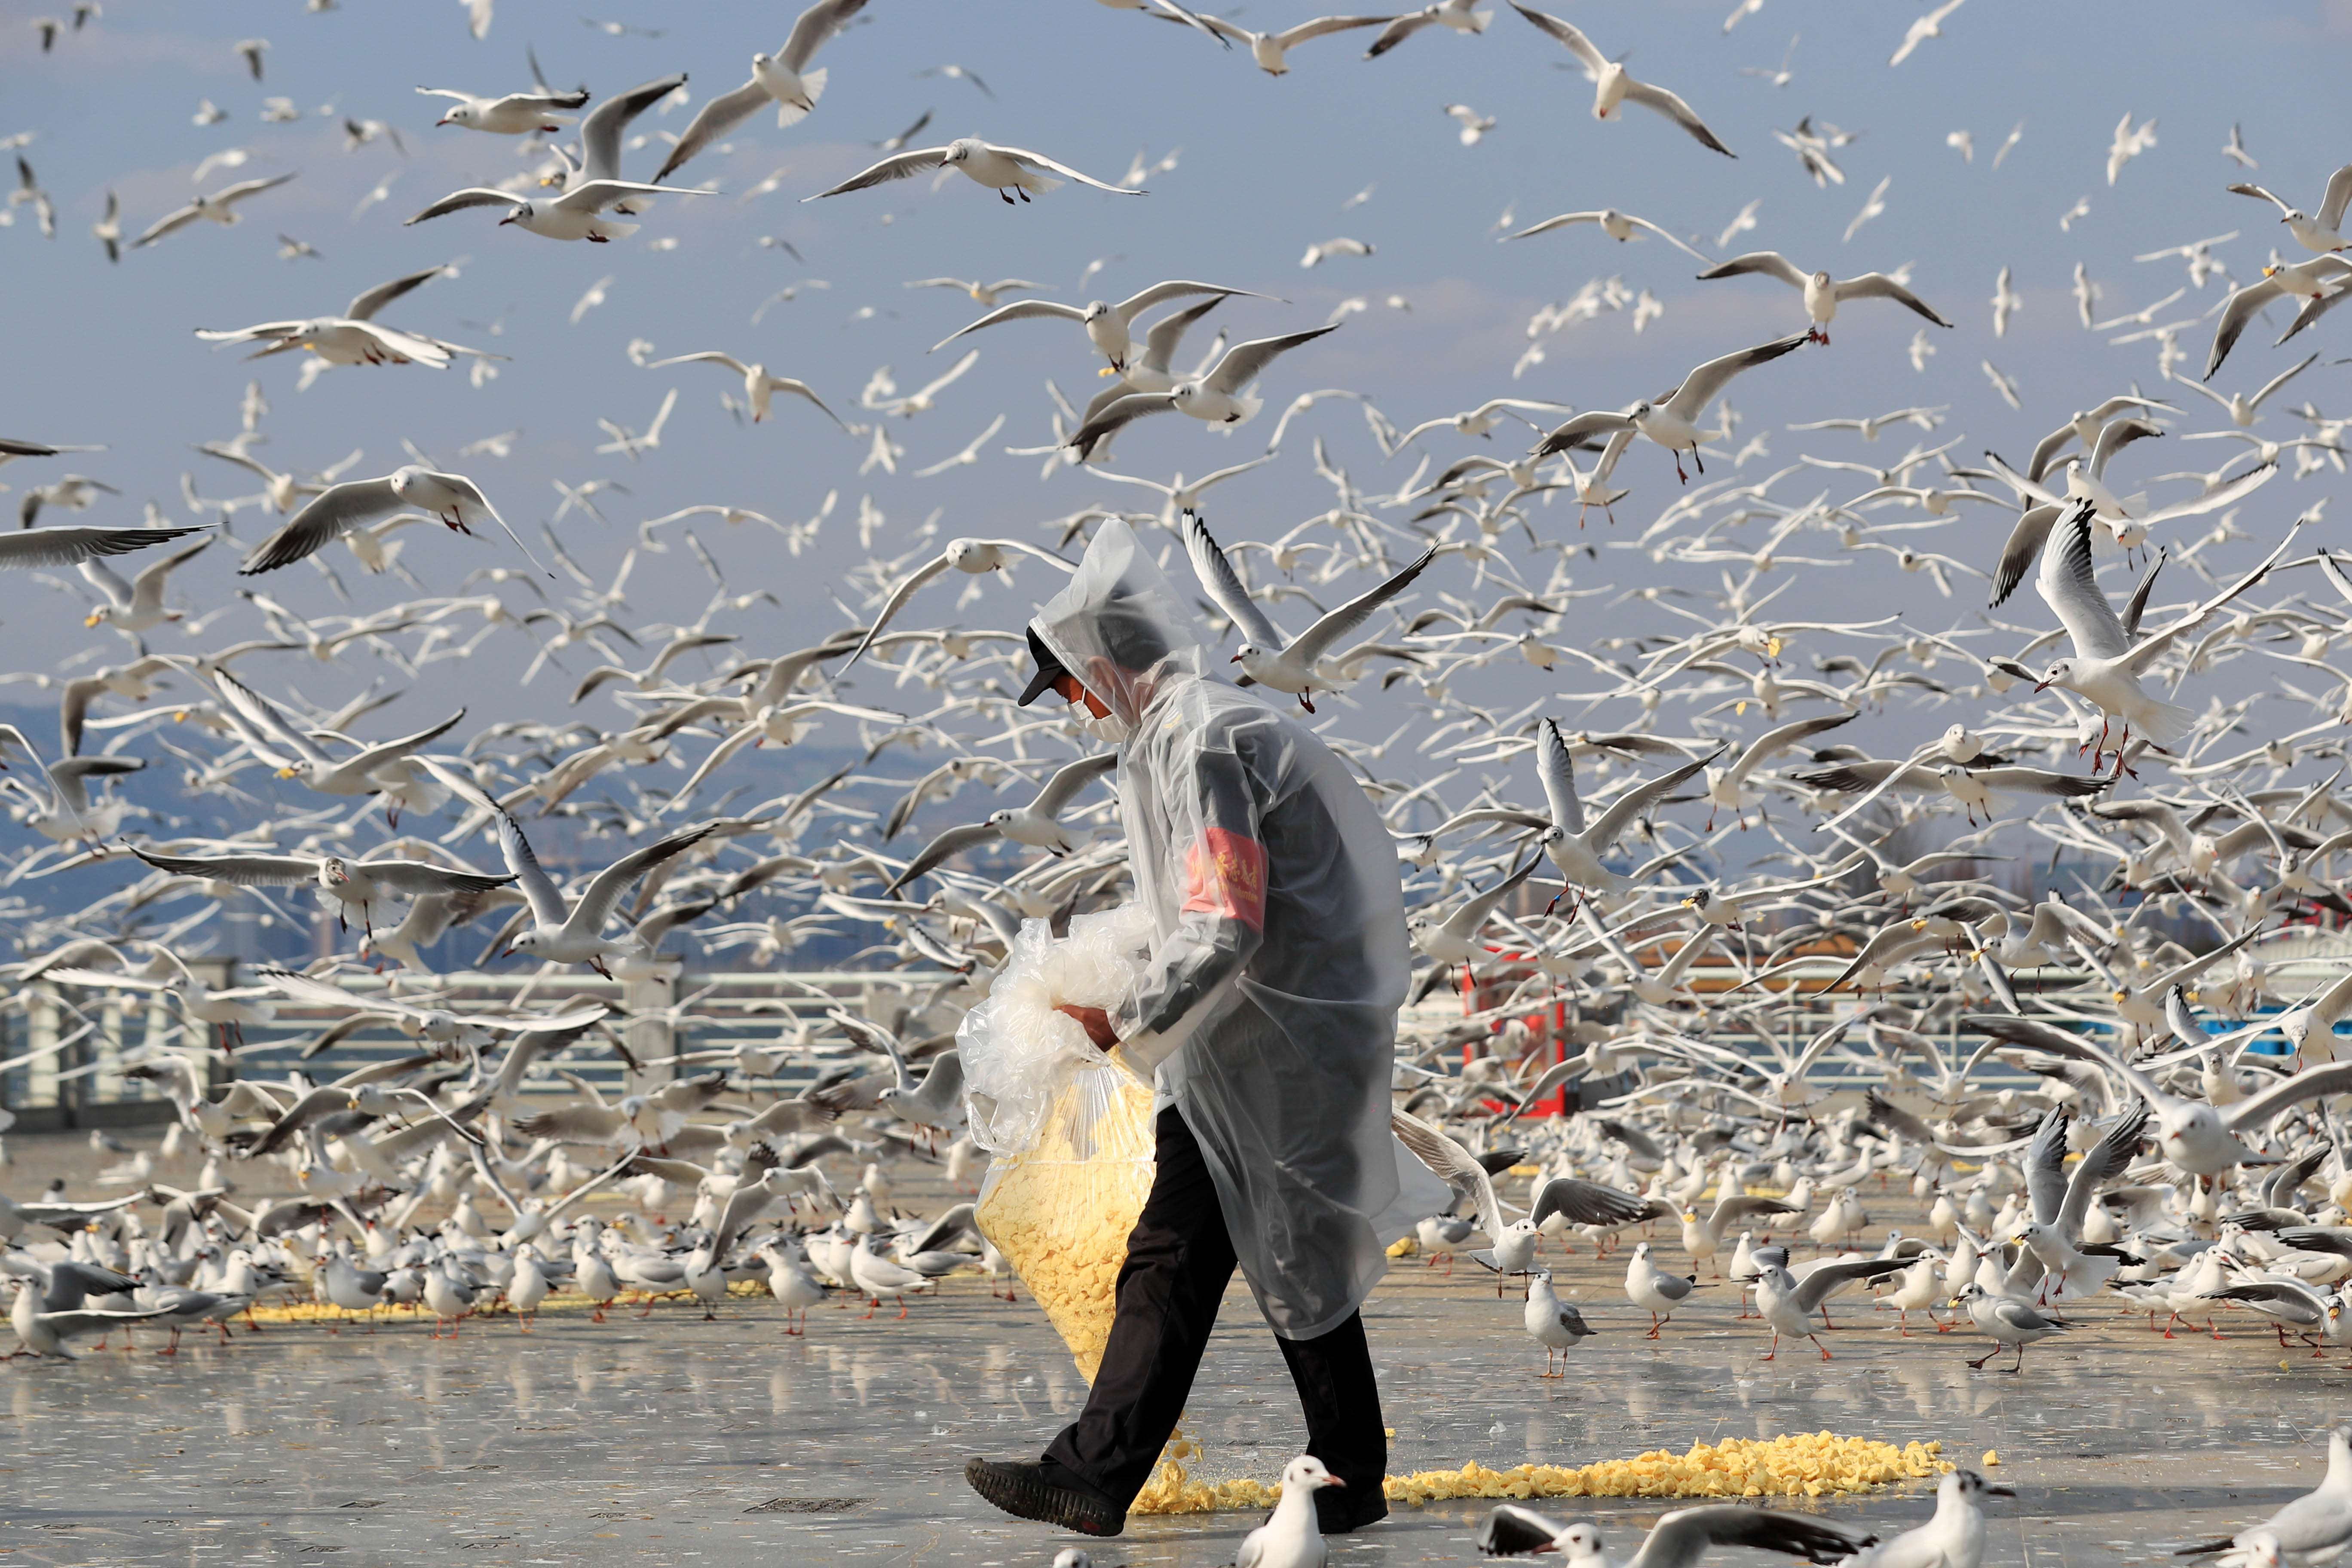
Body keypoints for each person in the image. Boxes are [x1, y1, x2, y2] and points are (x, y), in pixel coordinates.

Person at [964, 518, 1445, 1539]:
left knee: (1207, 1253)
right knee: (1244, 1251)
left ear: (1102, 665)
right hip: (1251, 1040)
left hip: (1271, 1042)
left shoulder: (1202, 742)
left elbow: (1226, 919)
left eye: (1069, 688)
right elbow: (1198, 906)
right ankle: (1338, 1477)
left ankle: (1103, 1476)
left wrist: (1124, 1016)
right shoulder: (1189, 737)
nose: (1073, 711)